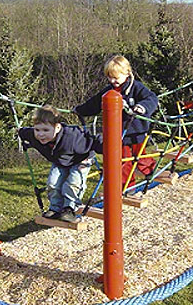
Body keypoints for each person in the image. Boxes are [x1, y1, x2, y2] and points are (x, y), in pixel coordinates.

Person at [73, 55, 158, 191]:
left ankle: (150, 171)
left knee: (141, 157)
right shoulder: (109, 91)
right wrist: (79, 110)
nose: (112, 81)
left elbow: (151, 98)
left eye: (116, 77)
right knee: (123, 161)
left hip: (136, 131)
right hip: (118, 133)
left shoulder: (136, 87)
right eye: (109, 77)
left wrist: (142, 107)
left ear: (127, 73)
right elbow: (94, 103)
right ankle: (127, 188)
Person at [18, 105, 103, 223]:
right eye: (37, 130)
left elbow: (93, 141)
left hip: (81, 159)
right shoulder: (33, 135)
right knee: (52, 183)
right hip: (60, 160)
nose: (41, 134)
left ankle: (69, 209)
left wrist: (107, 145)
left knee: (73, 183)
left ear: (57, 127)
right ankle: (55, 208)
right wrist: (19, 131)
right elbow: (23, 132)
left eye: (46, 130)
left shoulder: (72, 136)